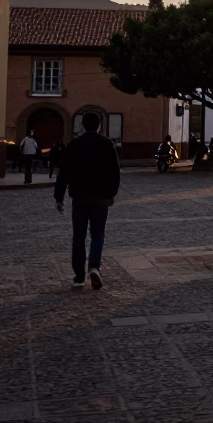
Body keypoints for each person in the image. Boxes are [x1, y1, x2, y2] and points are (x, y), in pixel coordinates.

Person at [55, 111, 121, 290]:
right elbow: (115, 172)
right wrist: (112, 193)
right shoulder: (107, 144)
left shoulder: (74, 145)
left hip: (80, 197)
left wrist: (59, 197)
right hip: (100, 197)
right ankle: (94, 266)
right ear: (99, 126)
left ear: (82, 126)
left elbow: (64, 173)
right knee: (98, 234)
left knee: (79, 236)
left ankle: (78, 276)